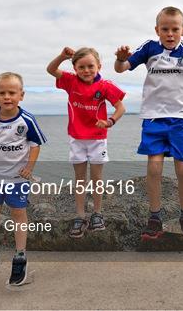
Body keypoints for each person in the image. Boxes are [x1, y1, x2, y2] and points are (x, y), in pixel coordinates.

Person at [114, 6, 183, 239]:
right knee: (154, 168)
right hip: (153, 117)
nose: (170, 33)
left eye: (175, 29)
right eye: (165, 29)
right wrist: (119, 59)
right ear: (157, 30)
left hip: (179, 119)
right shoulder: (149, 48)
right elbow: (121, 69)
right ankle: (154, 216)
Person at [0, 72, 46, 286]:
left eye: (12, 93)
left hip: (17, 179)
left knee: (18, 214)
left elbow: (35, 145)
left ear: (21, 95)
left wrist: (29, 167)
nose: (7, 97)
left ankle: (20, 256)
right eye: (2, 93)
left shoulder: (27, 120)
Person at [47, 47, 126, 238]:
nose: (86, 70)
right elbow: (51, 70)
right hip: (77, 139)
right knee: (80, 179)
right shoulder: (70, 81)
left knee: (97, 178)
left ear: (98, 66)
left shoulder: (105, 85)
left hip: (98, 139)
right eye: (81, 67)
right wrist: (62, 57)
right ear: (74, 68)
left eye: (91, 66)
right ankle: (80, 216)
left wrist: (109, 122)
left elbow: (120, 107)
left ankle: (97, 214)